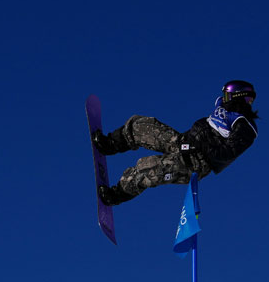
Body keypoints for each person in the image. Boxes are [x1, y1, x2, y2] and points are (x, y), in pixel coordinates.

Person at [93, 80, 259, 206]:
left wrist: (202, 146)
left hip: (195, 163)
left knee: (147, 168)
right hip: (184, 142)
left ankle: (115, 195)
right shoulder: (222, 105)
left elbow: (227, 154)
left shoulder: (244, 125)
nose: (224, 98)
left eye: (227, 95)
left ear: (237, 97)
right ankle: (110, 144)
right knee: (142, 126)